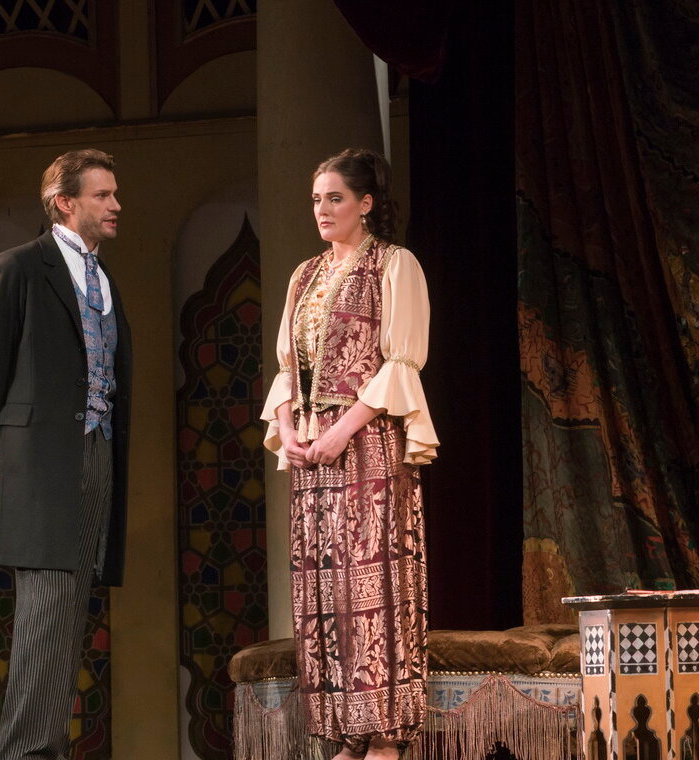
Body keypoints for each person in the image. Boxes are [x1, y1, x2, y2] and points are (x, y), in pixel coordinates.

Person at [262, 148, 438, 759]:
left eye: (335, 198)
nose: (322, 209)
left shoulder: (394, 264)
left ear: (366, 203)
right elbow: (288, 367)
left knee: (372, 580)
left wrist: (344, 431)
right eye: (316, 199)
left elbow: (401, 361)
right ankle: (344, 733)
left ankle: (384, 734)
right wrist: (288, 429)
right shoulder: (304, 275)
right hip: (313, 449)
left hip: (369, 445)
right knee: (322, 583)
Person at [0, 148, 131, 760]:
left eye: (114, 194)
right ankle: (29, 753)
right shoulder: (20, 267)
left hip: (96, 451)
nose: (116, 205)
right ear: (65, 202)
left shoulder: (102, 278)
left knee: (69, 611)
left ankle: (44, 748)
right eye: (102, 195)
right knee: (45, 611)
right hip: (42, 459)